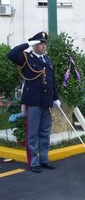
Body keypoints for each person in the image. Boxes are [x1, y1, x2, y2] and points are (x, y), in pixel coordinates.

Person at [7, 31, 61, 173]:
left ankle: (44, 159)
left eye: (44, 43)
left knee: (45, 132)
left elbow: (52, 81)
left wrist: (56, 97)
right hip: (33, 101)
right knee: (32, 134)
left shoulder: (48, 60)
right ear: (34, 45)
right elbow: (11, 54)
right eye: (40, 43)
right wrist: (27, 44)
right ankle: (33, 162)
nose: (43, 46)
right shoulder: (26, 58)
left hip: (46, 102)